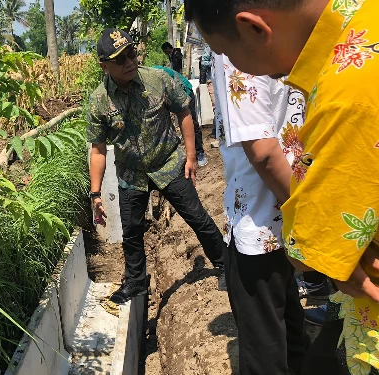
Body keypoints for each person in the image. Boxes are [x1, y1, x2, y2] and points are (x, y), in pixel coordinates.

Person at [185, 0, 379, 374]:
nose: (228, 69)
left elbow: (311, 251)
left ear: (255, 28)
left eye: (225, 54)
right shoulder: (364, 20)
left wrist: (310, 237)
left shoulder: (347, 94)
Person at [87, 28, 226, 305]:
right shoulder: (99, 101)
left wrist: (190, 156)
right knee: (132, 232)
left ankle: (225, 265)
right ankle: (137, 283)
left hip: (168, 163)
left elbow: (184, 112)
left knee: (197, 217)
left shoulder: (158, 79)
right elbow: (98, 149)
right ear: (104, 65)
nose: (129, 62)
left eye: (131, 53)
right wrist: (95, 193)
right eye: (120, 58)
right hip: (131, 174)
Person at [212, 53, 309, 375]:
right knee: (288, 320)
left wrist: (300, 211)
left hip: (260, 214)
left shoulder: (234, 45)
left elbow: (263, 151)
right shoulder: (284, 31)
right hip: (291, 200)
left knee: (263, 344)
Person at [151, 65, 209, 167]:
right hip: (168, 95)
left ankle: (200, 153)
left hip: (184, 91)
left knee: (191, 122)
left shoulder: (157, 76)